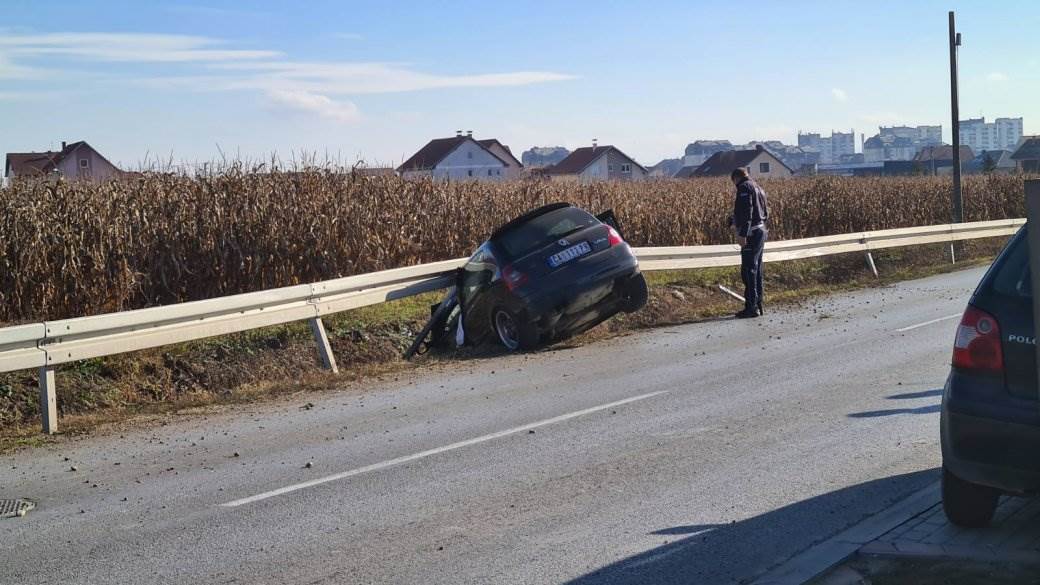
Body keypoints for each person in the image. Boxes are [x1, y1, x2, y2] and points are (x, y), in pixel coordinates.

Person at [729, 168, 768, 318]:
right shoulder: (758, 187)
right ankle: (758, 304)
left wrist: (743, 233)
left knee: (748, 271)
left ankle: (751, 308)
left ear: (736, 178)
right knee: (757, 269)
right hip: (760, 230)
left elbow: (747, 211)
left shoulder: (744, 187)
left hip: (751, 233)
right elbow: (764, 212)